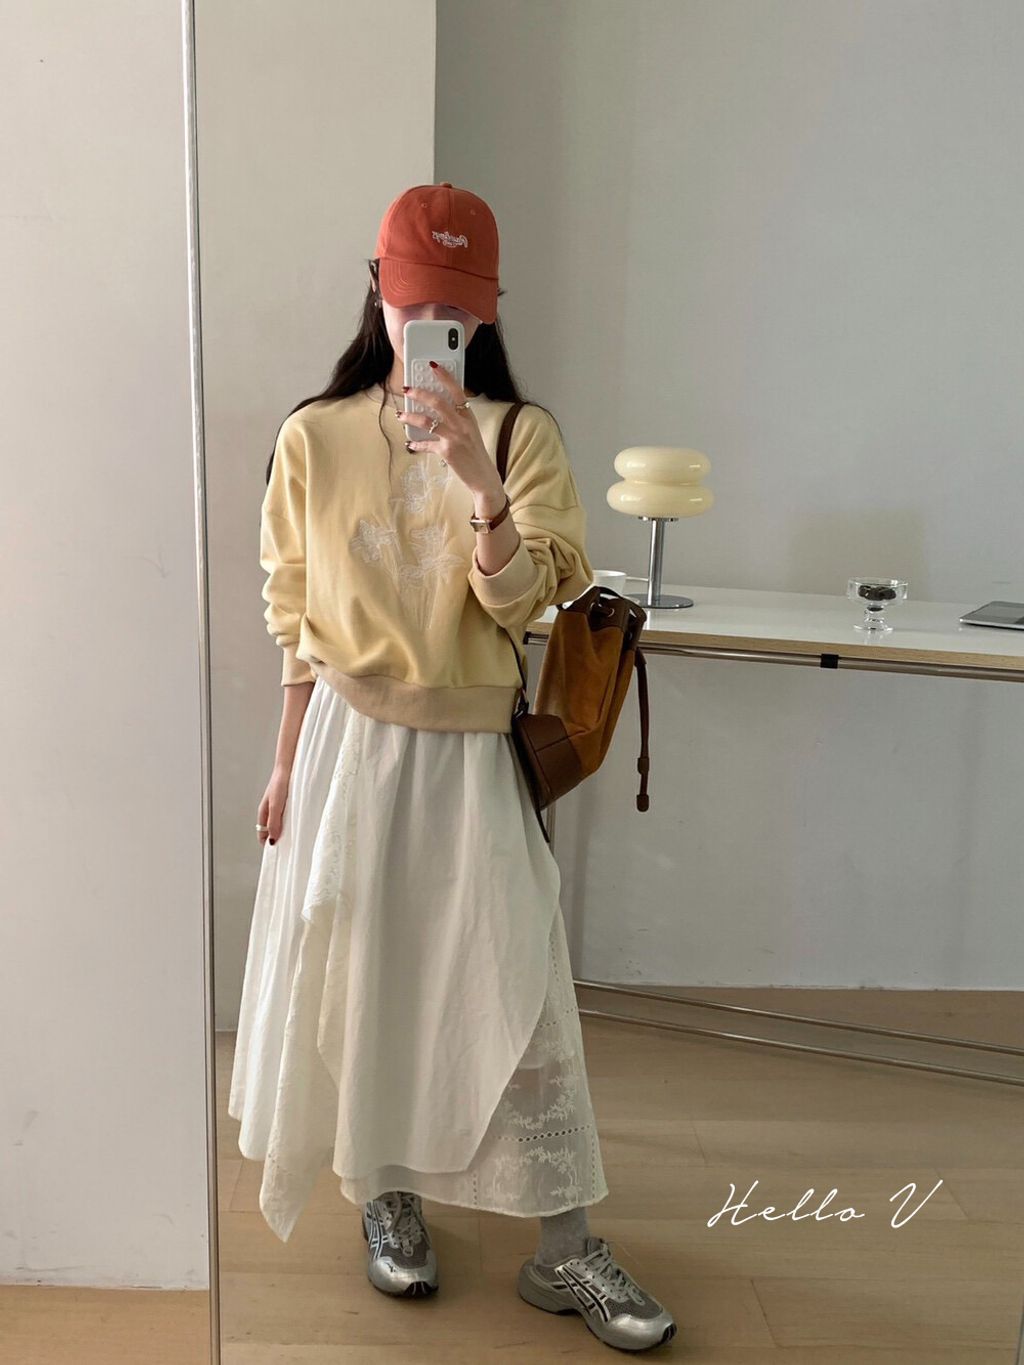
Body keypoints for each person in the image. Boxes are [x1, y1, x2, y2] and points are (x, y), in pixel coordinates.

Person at [227, 183, 677, 1353]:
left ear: (490, 309)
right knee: (365, 975)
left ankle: (563, 1247)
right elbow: (294, 619)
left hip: (471, 750)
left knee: (515, 987)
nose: (441, 326)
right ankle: (385, 1190)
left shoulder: (522, 437)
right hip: (344, 746)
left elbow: (528, 603)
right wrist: (282, 765)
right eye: (421, 300)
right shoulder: (313, 436)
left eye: (463, 311)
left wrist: (481, 486)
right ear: (378, 289)